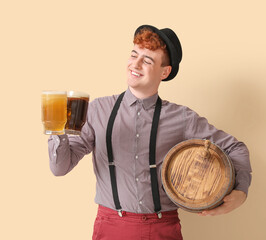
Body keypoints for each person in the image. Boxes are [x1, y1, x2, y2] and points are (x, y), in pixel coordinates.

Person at [47, 25, 252, 240]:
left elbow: (235, 148)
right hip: (110, 227)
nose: (135, 64)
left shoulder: (182, 118)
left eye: (147, 60)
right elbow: (60, 168)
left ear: (165, 72)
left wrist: (241, 192)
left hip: (163, 228)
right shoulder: (97, 110)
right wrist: (56, 130)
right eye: (134, 54)